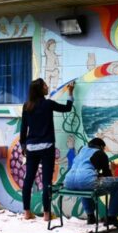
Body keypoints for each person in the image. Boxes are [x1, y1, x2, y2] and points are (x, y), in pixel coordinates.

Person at [20, 78, 74, 221]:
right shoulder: (48, 104)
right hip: (47, 147)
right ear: (40, 89)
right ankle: (47, 214)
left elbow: (23, 128)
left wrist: (23, 145)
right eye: (45, 85)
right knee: (46, 182)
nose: (47, 87)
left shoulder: (27, 106)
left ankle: (26, 212)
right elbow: (67, 108)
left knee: (28, 179)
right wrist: (70, 92)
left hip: (31, 146)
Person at [64, 138, 118, 227]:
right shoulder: (100, 153)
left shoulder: (82, 150)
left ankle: (90, 217)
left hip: (68, 181)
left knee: (83, 186)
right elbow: (107, 175)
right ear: (101, 147)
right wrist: (113, 170)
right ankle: (112, 218)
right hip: (85, 181)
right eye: (104, 148)